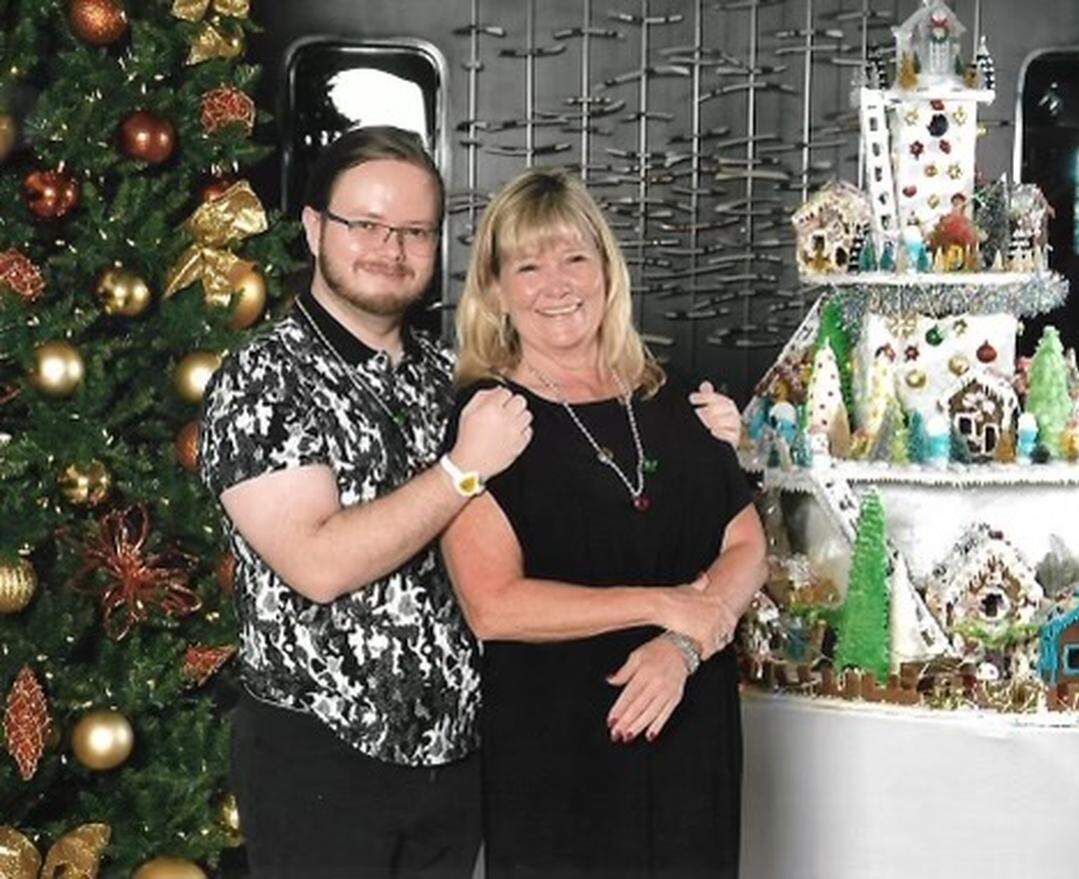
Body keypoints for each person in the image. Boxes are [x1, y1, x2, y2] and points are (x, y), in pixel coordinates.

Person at [198, 126, 743, 877]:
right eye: (366, 224)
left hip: (456, 755)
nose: (390, 248)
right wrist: (460, 471)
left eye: (414, 230)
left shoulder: (444, 374)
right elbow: (317, 564)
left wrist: (715, 444)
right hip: (325, 755)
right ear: (315, 227)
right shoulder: (265, 378)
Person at [441, 168, 768, 879]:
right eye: (528, 265)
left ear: (607, 270)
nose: (556, 284)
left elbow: (747, 543)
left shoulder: (670, 400)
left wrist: (681, 645)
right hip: (561, 757)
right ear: (496, 290)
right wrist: (664, 605)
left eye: (575, 258)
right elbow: (492, 604)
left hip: (690, 738)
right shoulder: (489, 420)